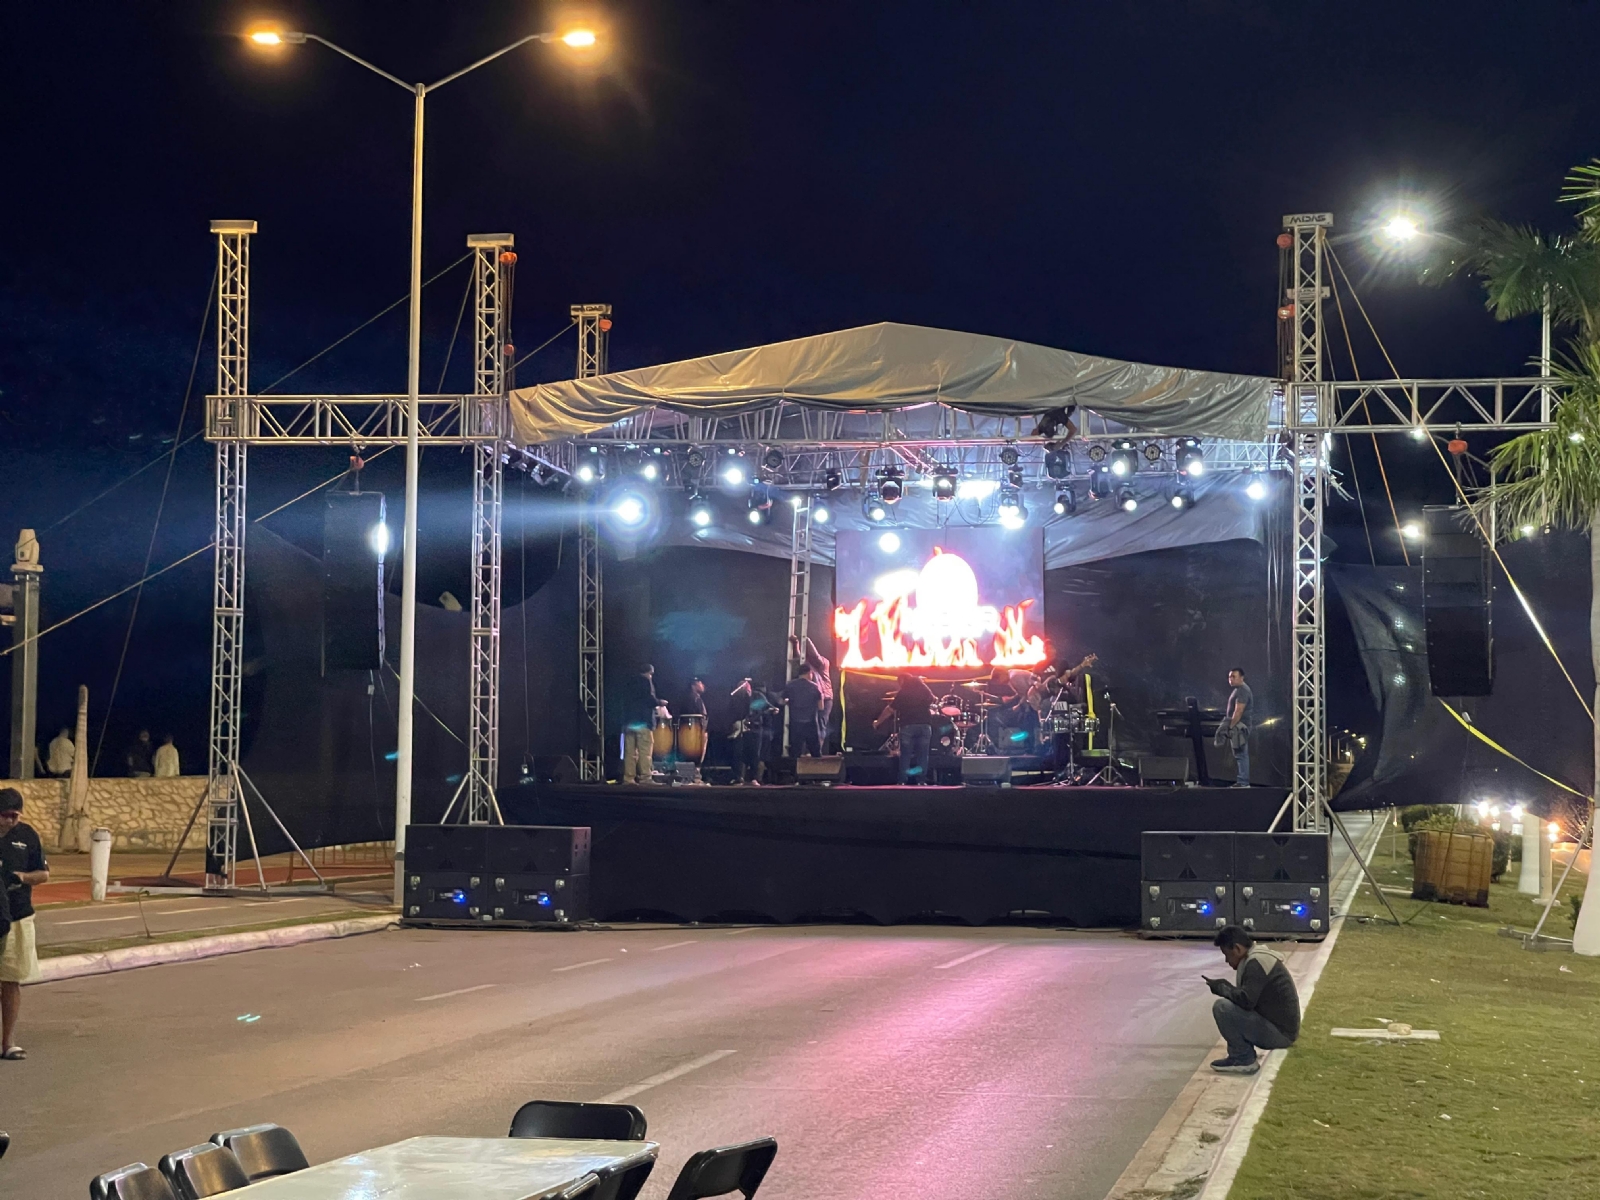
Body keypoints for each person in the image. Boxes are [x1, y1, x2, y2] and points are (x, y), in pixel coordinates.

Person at [1204, 924, 1300, 1074]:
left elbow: (1247, 1001)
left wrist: (1224, 989)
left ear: (1237, 949)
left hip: (1281, 1034)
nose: (1226, 961)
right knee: (1228, 1005)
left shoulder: (1255, 963)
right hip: (1282, 1029)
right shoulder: (1256, 958)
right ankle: (1241, 1056)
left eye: (1227, 954)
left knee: (1222, 1007)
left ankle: (1243, 1059)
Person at [0, 788, 49, 1060]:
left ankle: (7, 1042)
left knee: (11, 979)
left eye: (14, 816)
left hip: (17, 916)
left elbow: (43, 874)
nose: (10, 822)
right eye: (5, 816)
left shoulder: (27, 836)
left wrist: (21, 877)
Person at [878, 673, 937, 785]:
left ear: (902, 681)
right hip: (925, 725)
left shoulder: (903, 692)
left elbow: (890, 709)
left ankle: (902, 781)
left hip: (908, 726)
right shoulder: (923, 688)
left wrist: (878, 721)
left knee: (905, 755)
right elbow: (933, 699)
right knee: (923, 755)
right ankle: (921, 781)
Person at [618, 664, 661, 785]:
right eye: (651, 674)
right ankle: (645, 778)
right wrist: (660, 702)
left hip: (629, 722)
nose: (651, 677)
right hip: (642, 722)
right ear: (649, 673)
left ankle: (628, 778)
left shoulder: (628, 683)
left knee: (629, 752)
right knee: (645, 751)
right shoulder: (646, 682)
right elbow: (649, 699)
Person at [790, 635, 834, 750]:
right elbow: (799, 658)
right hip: (815, 698)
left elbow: (815, 655)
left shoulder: (823, 663)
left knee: (820, 723)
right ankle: (810, 750)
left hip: (826, 698)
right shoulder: (808, 666)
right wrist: (796, 644)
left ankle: (817, 749)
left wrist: (805, 638)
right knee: (812, 724)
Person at [780, 663, 824, 757]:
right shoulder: (815, 687)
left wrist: (789, 702)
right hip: (811, 724)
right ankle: (816, 770)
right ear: (809, 673)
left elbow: (781, 701)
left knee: (795, 752)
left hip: (795, 723)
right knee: (815, 752)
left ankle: (794, 771)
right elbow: (821, 707)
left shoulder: (790, 685)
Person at [1220, 667, 1253, 787]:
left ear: (1241, 677)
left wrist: (1231, 726)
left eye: (1234, 676)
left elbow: (1238, 711)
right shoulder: (1238, 690)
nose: (1231, 679)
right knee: (1239, 754)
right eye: (1229, 677)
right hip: (1238, 726)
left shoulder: (1243, 690)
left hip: (1240, 727)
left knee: (1241, 754)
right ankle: (1242, 780)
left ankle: (1243, 782)